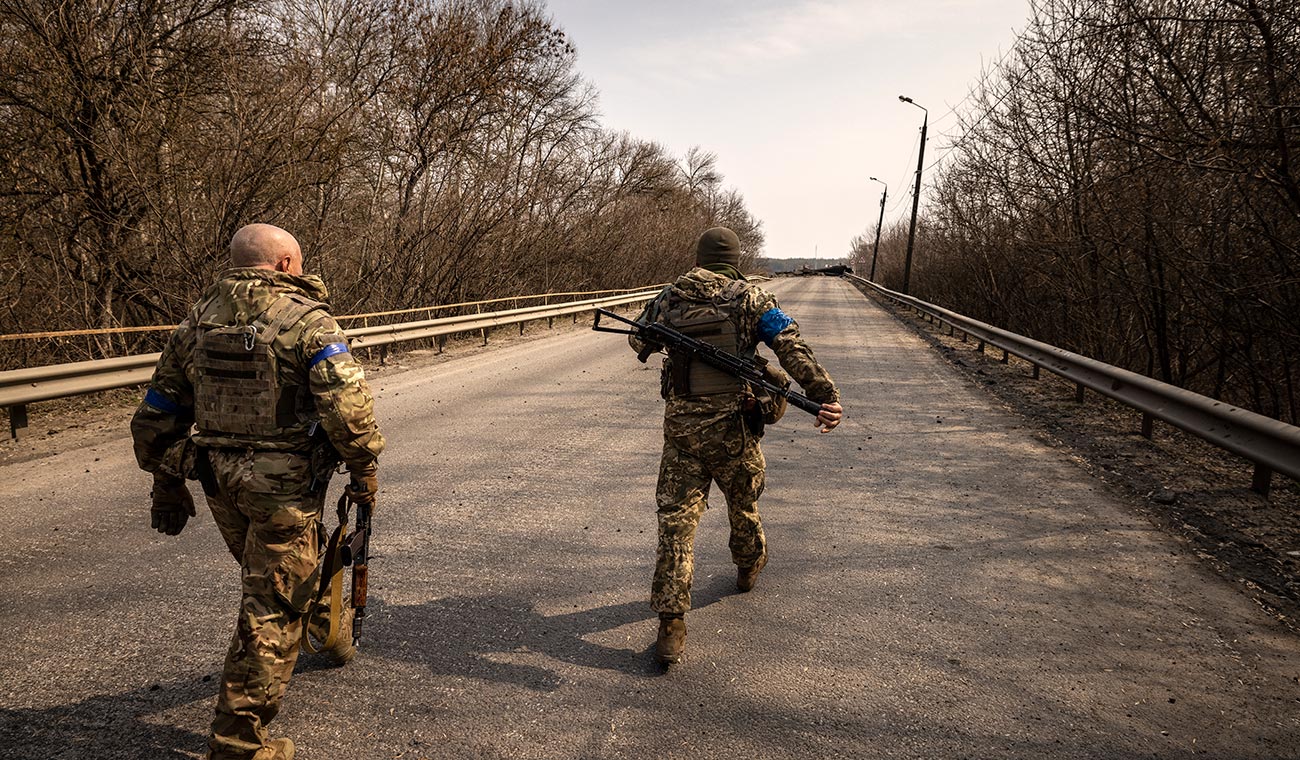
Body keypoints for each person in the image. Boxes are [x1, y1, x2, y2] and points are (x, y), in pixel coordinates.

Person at [130, 223, 385, 760]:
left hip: (220, 480)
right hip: (283, 486)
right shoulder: (308, 322)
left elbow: (157, 414)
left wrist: (166, 481)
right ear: (286, 264)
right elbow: (348, 411)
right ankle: (237, 744)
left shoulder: (196, 322)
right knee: (270, 605)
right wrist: (364, 469)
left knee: (277, 577)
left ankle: (321, 624)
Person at [629, 226, 843, 665]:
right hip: (735, 430)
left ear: (698, 258)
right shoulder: (751, 299)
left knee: (675, 524)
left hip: (682, 433)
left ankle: (671, 623)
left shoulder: (669, 297)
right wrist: (825, 395)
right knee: (743, 503)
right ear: (735, 260)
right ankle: (748, 565)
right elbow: (790, 345)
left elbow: (638, 339)